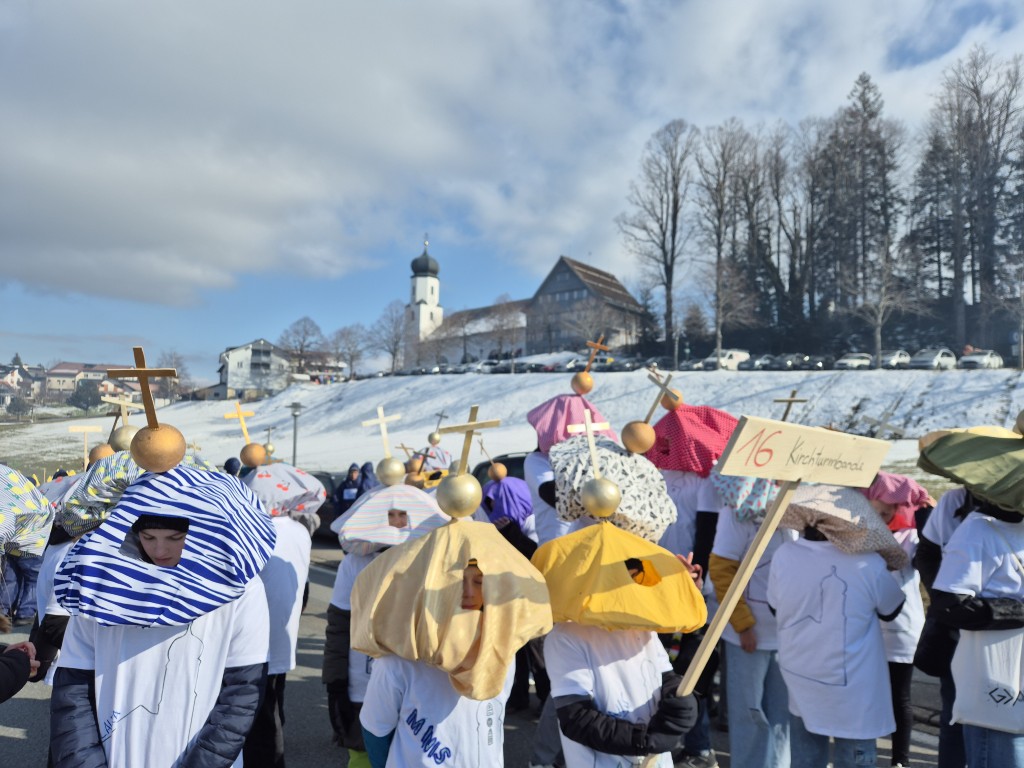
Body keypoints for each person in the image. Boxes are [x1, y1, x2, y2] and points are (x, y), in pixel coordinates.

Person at [49, 466, 276, 768]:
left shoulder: (241, 589)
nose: (160, 550)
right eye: (148, 536)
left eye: (174, 537)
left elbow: (242, 694)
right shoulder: (98, 583)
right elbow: (73, 689)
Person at [354, 505, 551, 767]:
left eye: (480, 581)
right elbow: (375, 729)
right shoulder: (398, 659)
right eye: (458, 580)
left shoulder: (502, 648)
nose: (468, 592)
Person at [767, 485, 906, 768]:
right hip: (853, 685)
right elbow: (892, 609)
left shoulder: (785, 555)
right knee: (854, 757)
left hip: (801, 672)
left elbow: (775, 607)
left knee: (806, 758)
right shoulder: (866, 563)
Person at [325, 482, 448, 768]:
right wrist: (335, 679)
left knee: (415, 750)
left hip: (418, 678)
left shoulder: (434, 562)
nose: (396, 523)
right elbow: (339, 623)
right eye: (389, 516)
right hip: (363, 678)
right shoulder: (355, 563)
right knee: (364, 752)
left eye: (402, 516)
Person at [708, 470, 792, 768]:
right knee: (750, 712)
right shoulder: (738, 513)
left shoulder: (795, 511)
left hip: (787, 636)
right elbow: (721, 571)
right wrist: (743, 625)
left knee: (784, 713)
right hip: (750, 636)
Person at [863, 471, 931, 768]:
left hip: (902, 628)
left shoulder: (913, 537)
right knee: (867, 695)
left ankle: (899, 760)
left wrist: (926, 508)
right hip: (866, 628)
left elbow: (927, 553)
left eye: (889, 510)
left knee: (899, 697)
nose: (883, 515)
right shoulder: (859, 534)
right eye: (878, 510)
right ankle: (861, 753)